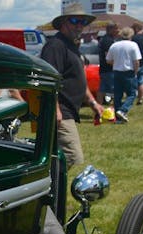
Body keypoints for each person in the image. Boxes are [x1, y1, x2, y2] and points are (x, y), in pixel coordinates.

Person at [40, 3, 103, 170]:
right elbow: (49, 80)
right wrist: (55, 110)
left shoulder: (72, 46)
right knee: (71, 156)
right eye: (75, 20)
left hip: (68, 111)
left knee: (58, 156)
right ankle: (50, 190)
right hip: (61, 111)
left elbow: (79, 78)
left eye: (83, 22)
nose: (79, 25)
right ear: (63, 23)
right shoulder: (55, 46)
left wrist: (93, 103)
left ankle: (49, 190)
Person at [106, 27, 141, 123]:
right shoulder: (133, 45)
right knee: (132, 94)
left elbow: (108, 60)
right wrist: (135, 72)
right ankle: (123, 110)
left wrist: (116, 63)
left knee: (117, 95)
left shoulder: (114, 45)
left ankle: (118, 118)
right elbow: (136, 61)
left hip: (117, 72)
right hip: (128, 72)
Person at [97, 23, 119, 104]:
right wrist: (116, 66)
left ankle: (99, 105)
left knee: (102, 89)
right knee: (114, 89)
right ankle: (116, 107)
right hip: (109, 69)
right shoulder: (108, 40)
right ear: (111, 29)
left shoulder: (105, 39)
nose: (118, 31)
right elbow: (108, 57)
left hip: (104, 69)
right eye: (116, 29)